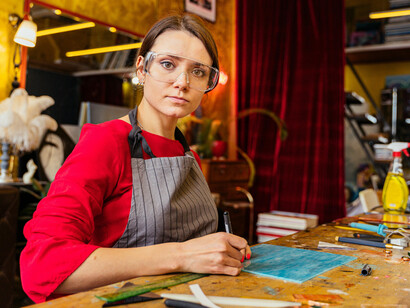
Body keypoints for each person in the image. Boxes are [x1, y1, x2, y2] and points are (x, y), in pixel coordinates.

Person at [20, 14, 251, 303]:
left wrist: (220, 251)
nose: (182, 82)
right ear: (142, 69)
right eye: (168, 64)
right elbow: (41, 266)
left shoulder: (188, 156)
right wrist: (181, 255)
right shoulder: (105, 142)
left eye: (198, 71)